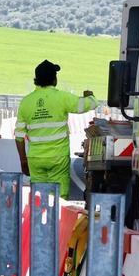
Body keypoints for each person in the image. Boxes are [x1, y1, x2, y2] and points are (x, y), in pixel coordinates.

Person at [15, 60, 98, 196]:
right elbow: (90, 104)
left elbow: (18, 137)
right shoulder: (62, 98)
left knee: (39, 198)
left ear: (36, 79)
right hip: (58, 158)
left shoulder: (26, 102)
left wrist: (23, 161)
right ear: (54, 79)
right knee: (59, 198)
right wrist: (90, 96)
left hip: (35, 159)